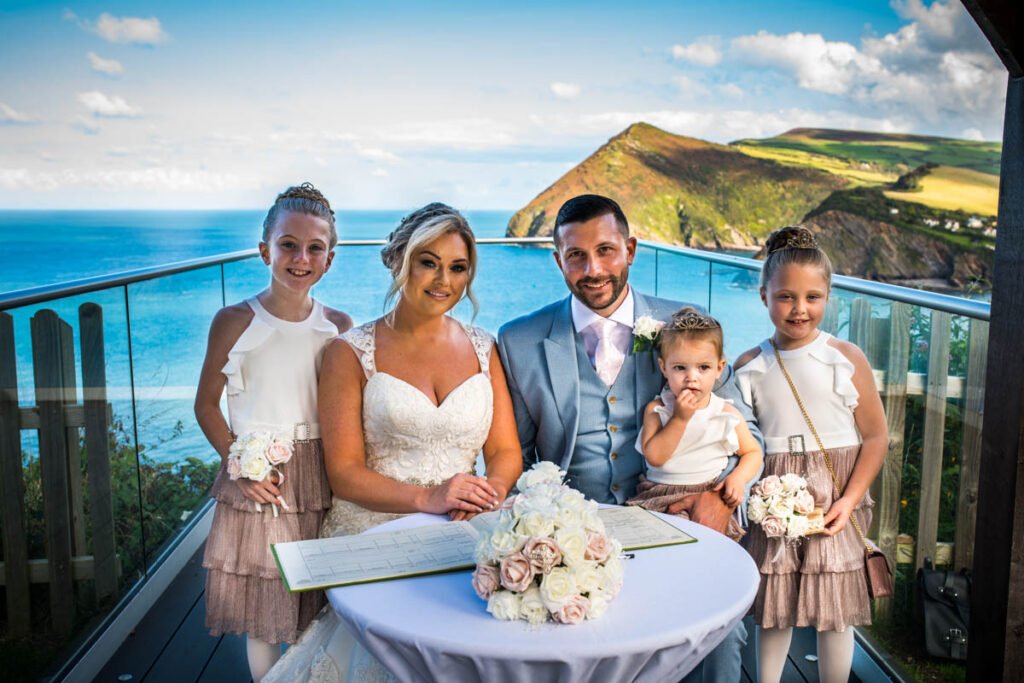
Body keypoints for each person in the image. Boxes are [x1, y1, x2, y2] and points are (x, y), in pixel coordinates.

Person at [497, 193, 761, 682]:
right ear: (558, 261)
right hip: (574, 541)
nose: (593, 268)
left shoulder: (684, 324)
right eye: (576, 255)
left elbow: (745, 430)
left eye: (606, 251)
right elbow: (516, 459)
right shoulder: (519, 340)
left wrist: (722, 499)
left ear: (631, 250)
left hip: (681, 523)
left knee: (719, 648)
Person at [263, 202, 523, 682]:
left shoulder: (485, 347)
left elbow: (504, 452)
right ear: (399, 260)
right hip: (372, 530)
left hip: (465, 524)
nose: (444, 280)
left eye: (458, 268)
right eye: (429, 262)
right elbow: (343, 472)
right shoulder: (349, 353)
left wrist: (490, 493)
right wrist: (429, 498)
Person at [195, 183, 353, 682]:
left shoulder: (339, 327)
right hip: (261, 480)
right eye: (288, 244)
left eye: (314, 248)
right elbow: (205, 406)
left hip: (322, 476)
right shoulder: (233, 320)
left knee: (320, 604)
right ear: (265, 250)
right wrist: (239, 465)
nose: (300, 257)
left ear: (329, 259)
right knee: (265, 614)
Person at [735, 226, 887, 683]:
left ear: (829, 296)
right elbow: (741, 442)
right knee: (775, 604)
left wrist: (848, 500)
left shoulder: (845, 357)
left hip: (836, 490)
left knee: (834, 605)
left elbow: (875, 437)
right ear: (763, 296)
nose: (799, 309)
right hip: (773, 495)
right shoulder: (748, 366)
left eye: (812, 297)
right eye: (785, 297)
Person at [627, 307, 763, 542]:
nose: (692, 377)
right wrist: (680, 418)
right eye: (680, 368)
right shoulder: (657, 410)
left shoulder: (725, 413)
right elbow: (655, 457)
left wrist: (738, 478)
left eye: (703, 368)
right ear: (664, 367)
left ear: (719, 369)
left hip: (709, 493)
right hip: (660, 496)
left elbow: (753, 452)